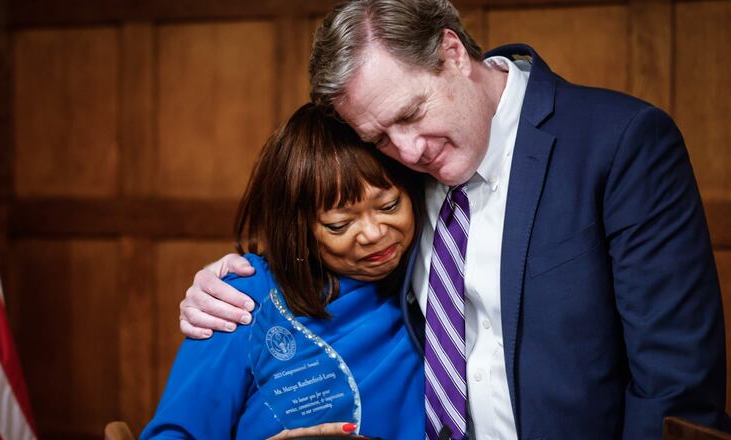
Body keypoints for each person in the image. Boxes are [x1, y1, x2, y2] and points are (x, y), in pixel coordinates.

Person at [179, 0, 728, 438]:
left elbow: (675, 386)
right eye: (379, 138)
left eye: (411, 114)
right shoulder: (402, 173)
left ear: (452, 51)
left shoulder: (620, 141)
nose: (408, 151)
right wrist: (230, 280)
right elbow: (331, 223)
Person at [141, 103, 425, 439]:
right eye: (339, 224)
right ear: (298, 229)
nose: (374, 233)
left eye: (389, 205)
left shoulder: (434, 277)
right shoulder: (242, 301)